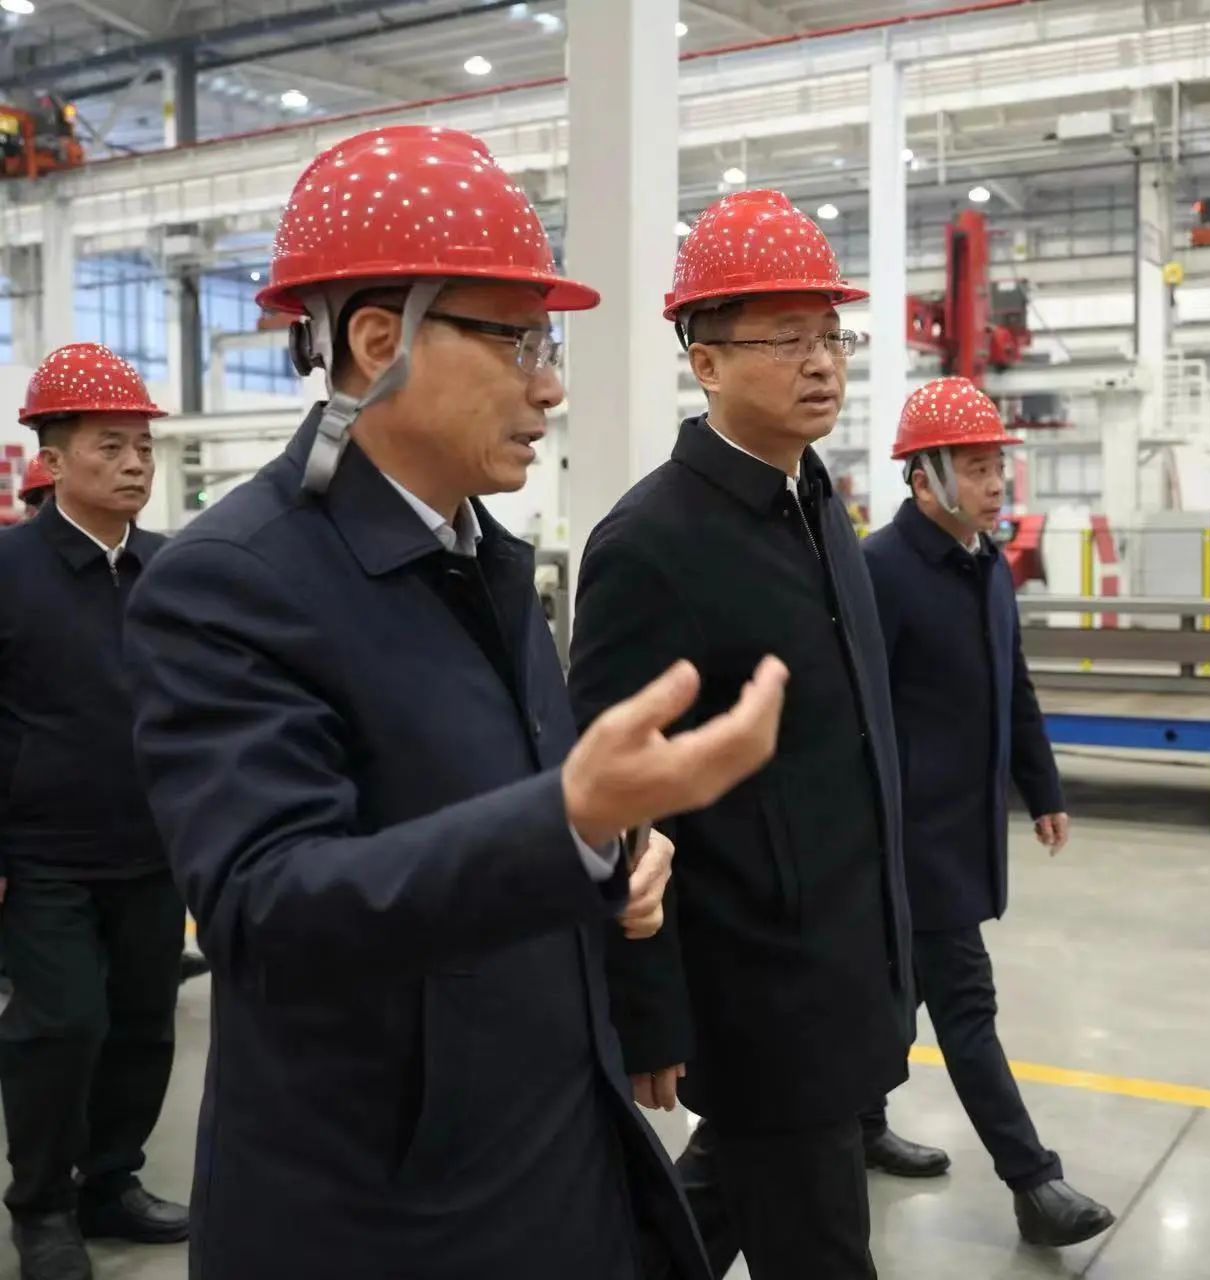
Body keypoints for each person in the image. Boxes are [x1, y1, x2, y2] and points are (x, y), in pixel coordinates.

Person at [120, 126, 785, 1280]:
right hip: (391, 1211)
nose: (550, 383)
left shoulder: (483, 559)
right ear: (381, 341)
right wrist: (567, 821)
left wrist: (611, 861)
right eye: (518, 338)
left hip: (551, 1150)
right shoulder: (231, 583)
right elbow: (269, 908)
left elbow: (492, 815)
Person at [569, 188, 913, 1280]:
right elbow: (617, 795)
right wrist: (647, 1005)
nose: (822, 364)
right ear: (705, 361)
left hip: (846, 954)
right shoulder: (651, 543)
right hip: (756, 983)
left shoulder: (817, 504)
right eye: (785, 339)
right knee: (822, 1245)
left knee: (715, 1207)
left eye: (832, 336)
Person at [857, 377, 1116, 1247]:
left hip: (965, 831)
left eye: (997, 467)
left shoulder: (986, 564)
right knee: (965, 1006)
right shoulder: (879, 572)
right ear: (923, 478)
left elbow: (1015, 683)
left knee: (890, 996)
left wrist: (1042, 789)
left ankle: (861, 1125)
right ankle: (1034, 1184)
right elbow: (853, 713)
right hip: (905, 840)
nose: (995, 484)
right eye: (974, 469)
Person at [0, 342, 188, 1280]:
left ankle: (111, 1179)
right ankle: (41, 1207)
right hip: (43, 856)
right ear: (53, 459)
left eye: (143, 448)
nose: (134, 466)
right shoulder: (10, 570)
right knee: (62, 1026)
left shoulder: (173, 570)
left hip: (153, 847)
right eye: (110, 447)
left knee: (143, 1025)